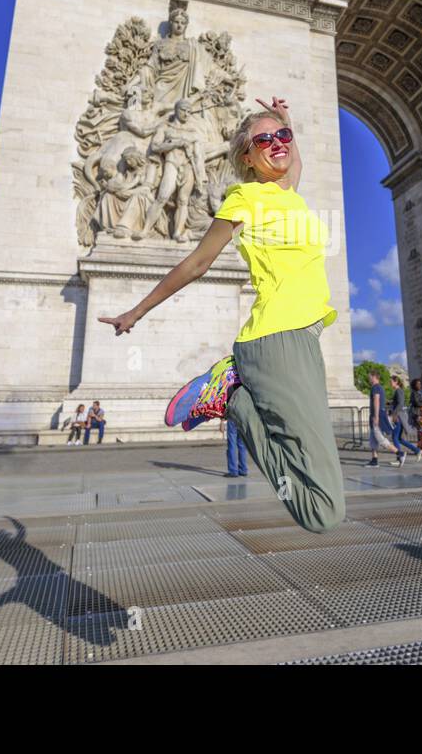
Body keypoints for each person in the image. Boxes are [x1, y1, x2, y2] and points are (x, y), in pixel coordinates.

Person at [99, 96, 345, 534]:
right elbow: (197, 263)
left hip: (301, 339)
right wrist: (136, 311)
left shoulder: (288, 193)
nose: (278, 144)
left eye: (282, 137)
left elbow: (296, 161)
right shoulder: (244, 199)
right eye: (263, 140)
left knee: (323, 489)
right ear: (246, 158)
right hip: (277, 340)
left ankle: (233, 389)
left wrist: (287, 121)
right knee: (323, 511)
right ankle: (231, 399)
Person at [365, 371, 398, 467]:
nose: (369, 379)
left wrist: (376, 416)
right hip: (376, 415)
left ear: (374, 377)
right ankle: (374, 460)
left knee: (380, 438)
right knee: (373, 439)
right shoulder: (379, 387)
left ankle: (399, 453)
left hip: (376, 415)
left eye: (370, 377)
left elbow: (376, 401)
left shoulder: (375, 387)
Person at [388, 375, 421, 463]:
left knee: (395, 438)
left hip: (398, 417)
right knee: (399, 438)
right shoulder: (398, 391)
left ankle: (400, 457)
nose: (390, 383)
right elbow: (399, 402)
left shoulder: (398, 391)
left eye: (391, 382)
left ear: (396, 382)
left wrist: (394, 415)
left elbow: (400, 404)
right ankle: (417, 450)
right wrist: (390, 402)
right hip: (399, 416)